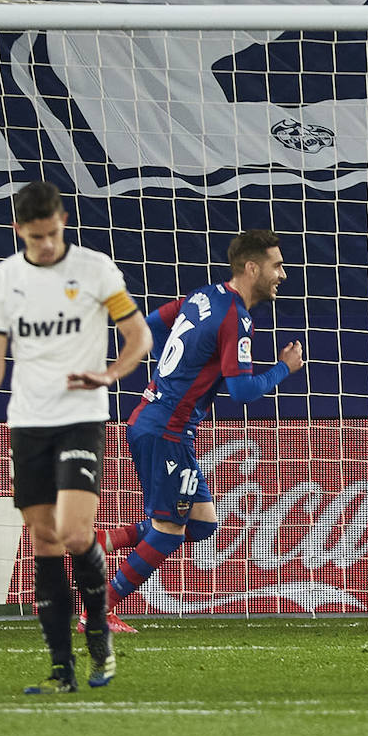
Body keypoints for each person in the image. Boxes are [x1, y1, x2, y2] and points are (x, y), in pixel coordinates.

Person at [0, 180, 152, 693]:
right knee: (44, 540)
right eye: (35, 235)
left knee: (73, 532)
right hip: (27, 421)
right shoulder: (3, 279)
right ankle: (60, 669)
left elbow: (139, 336)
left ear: (63, 221)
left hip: (80, 414)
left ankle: (98, 636)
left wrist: (110, 375)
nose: (46, 244)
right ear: (17, 229)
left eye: (53, 232)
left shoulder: (94, 270)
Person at [93, 229, 304, 622]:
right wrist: (283, 368)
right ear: (252, 267)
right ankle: (98, 607)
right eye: (277, 265)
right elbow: (242, 392)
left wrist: (176, 373)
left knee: (203, 523)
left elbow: (152, 324)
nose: (283, 274)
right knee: (170, 530)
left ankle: (101, 543)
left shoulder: (203, 296)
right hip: (166, 431)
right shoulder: (235, 317)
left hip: (161, 424)